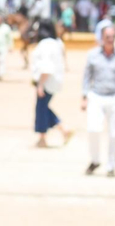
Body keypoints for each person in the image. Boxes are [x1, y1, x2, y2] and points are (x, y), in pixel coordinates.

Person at [82, 24, 115, 176]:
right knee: (93, 128)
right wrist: (84, 96)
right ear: (102, 38)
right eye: (107, 37)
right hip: (96, 95)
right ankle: (95, 159)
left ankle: (111, 165)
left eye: (112, 37)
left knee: (114, 132)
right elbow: (86, 77)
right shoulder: (92, 55)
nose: (110, 40)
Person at [31, 18, 73, 148]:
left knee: (41, 109)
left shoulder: (45, 44)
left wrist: (41, 84)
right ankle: (63, 130)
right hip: (54, 81)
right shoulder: (57, 43)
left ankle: (43, 138)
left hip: (47, 81)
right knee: (43, 108)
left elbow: (46, 66)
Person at [0, 12, 15, 80]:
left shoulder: (6, 28)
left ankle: (0, 74)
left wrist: (10, 46)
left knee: (1, 60)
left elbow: (9, 38)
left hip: (3, 47)